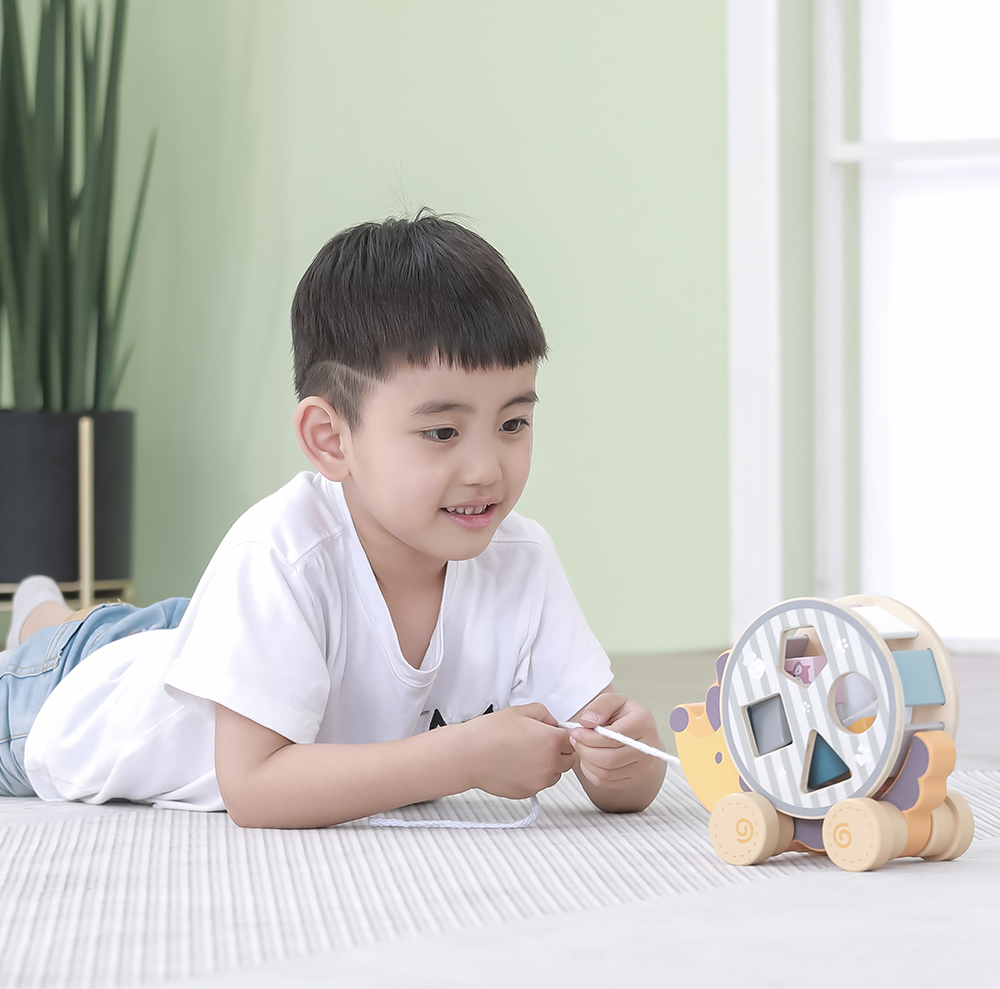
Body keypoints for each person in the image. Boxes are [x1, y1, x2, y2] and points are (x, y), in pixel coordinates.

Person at [1, 213, 666, 827]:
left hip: (226, 637)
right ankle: (47, 625)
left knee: (170, 634)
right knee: (91, 648)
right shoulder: (277, 553)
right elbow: (254, 788)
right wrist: (463, 757)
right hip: (56, 702)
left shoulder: (522, 559)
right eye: (442, 432)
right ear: (331, 439)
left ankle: (48, 613)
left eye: (513, 423)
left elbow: (612, 760)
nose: (486, 469)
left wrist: (624, 756)